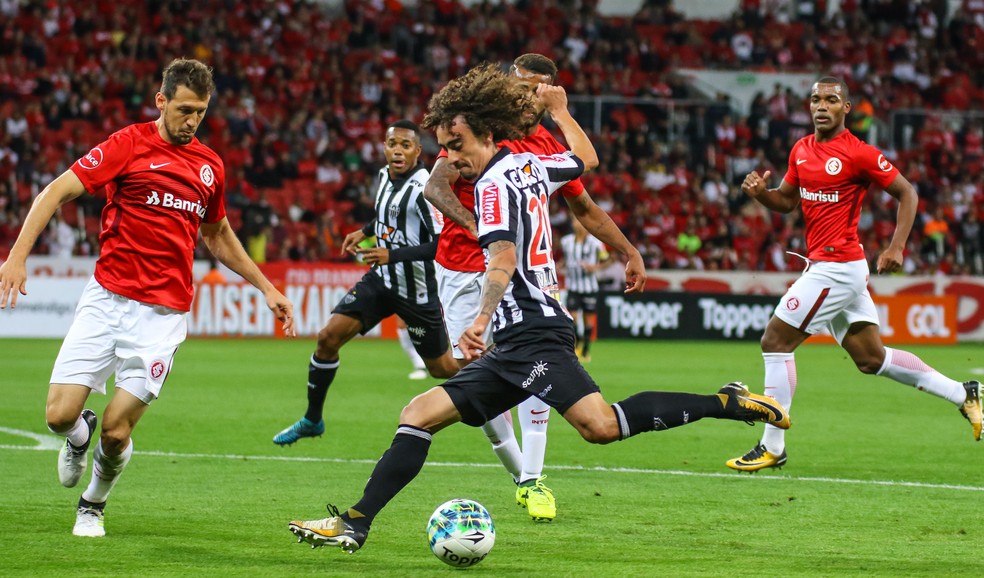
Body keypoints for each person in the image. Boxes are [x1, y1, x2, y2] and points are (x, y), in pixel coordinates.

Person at [286, 63, 790, 554]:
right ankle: (354, 524)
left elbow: (502, 257)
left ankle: (723, 402)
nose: (449, 156)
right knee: (418, 414)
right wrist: (563, 112)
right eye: (444, 145)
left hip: (533, 331)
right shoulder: (529, 163)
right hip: (514, 341)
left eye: (456, 144)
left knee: (601, 427)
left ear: (484, 132)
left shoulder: (491, 187)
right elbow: (585, 161)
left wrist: (481, 318)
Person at [0, 59, 297, 537]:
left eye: (200, 111)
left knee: (118, 432)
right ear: (161, 101)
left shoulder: (208, 166)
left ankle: (92, 505)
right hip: (106, 299)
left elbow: (217, 233)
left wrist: (266, 287)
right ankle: (78, 436)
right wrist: (17, 256)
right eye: (184, 109)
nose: (192, 120)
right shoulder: (128, 145)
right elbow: (55, 192)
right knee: (57, 417)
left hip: (162, 316)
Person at [422, 53, 647, 522]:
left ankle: (531, 479)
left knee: (532, 367)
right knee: (469, 377)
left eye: (538, 90)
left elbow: (584, 206)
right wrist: (480, 225)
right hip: (463, 272)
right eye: (521, 87)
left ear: (549, 95)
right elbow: (436, 188)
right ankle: (519, 470)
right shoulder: (478, 132)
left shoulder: (545, 143)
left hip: (522, 278)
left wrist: (627, 249)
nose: (528, 97)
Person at [728, 77, 981, 472]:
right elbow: (787, 202)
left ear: (846, 107)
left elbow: (907, 193)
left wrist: (897, 245)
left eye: (831, 99)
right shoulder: (801, 150)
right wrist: (761, 193)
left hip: (838, 268)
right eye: (815, 99)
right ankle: (964, 393)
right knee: (870, 358)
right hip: (829, 266)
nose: (821, 106)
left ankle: (772, 444)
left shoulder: (859, 153)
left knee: (775, 341)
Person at [272, 120, 458, 446]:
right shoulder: (384, 176)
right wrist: (366, 230)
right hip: (380, 280)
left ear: (418, 150)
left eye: (405, 145)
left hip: (416, 290)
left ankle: (494, 377)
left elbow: (443, 243)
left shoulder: (426, 189)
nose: (397, 150)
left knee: (442, 369)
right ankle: (312, 419)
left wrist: (393, 255)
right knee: (328, 338)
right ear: (383, 147)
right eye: (391, 144)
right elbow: (388, 215)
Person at [559, 218, 610, 362]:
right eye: (575, 221)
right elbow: (565, 259)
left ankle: (586, 349)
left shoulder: (596, 243)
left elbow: (607, 260)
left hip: (589, 287)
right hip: (573, 286)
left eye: (580, 222)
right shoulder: (566, 242)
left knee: (588, 320)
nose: (577, 224)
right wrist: (559, 265)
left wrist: (595, 268)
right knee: (573, 317)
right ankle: (578, 343)